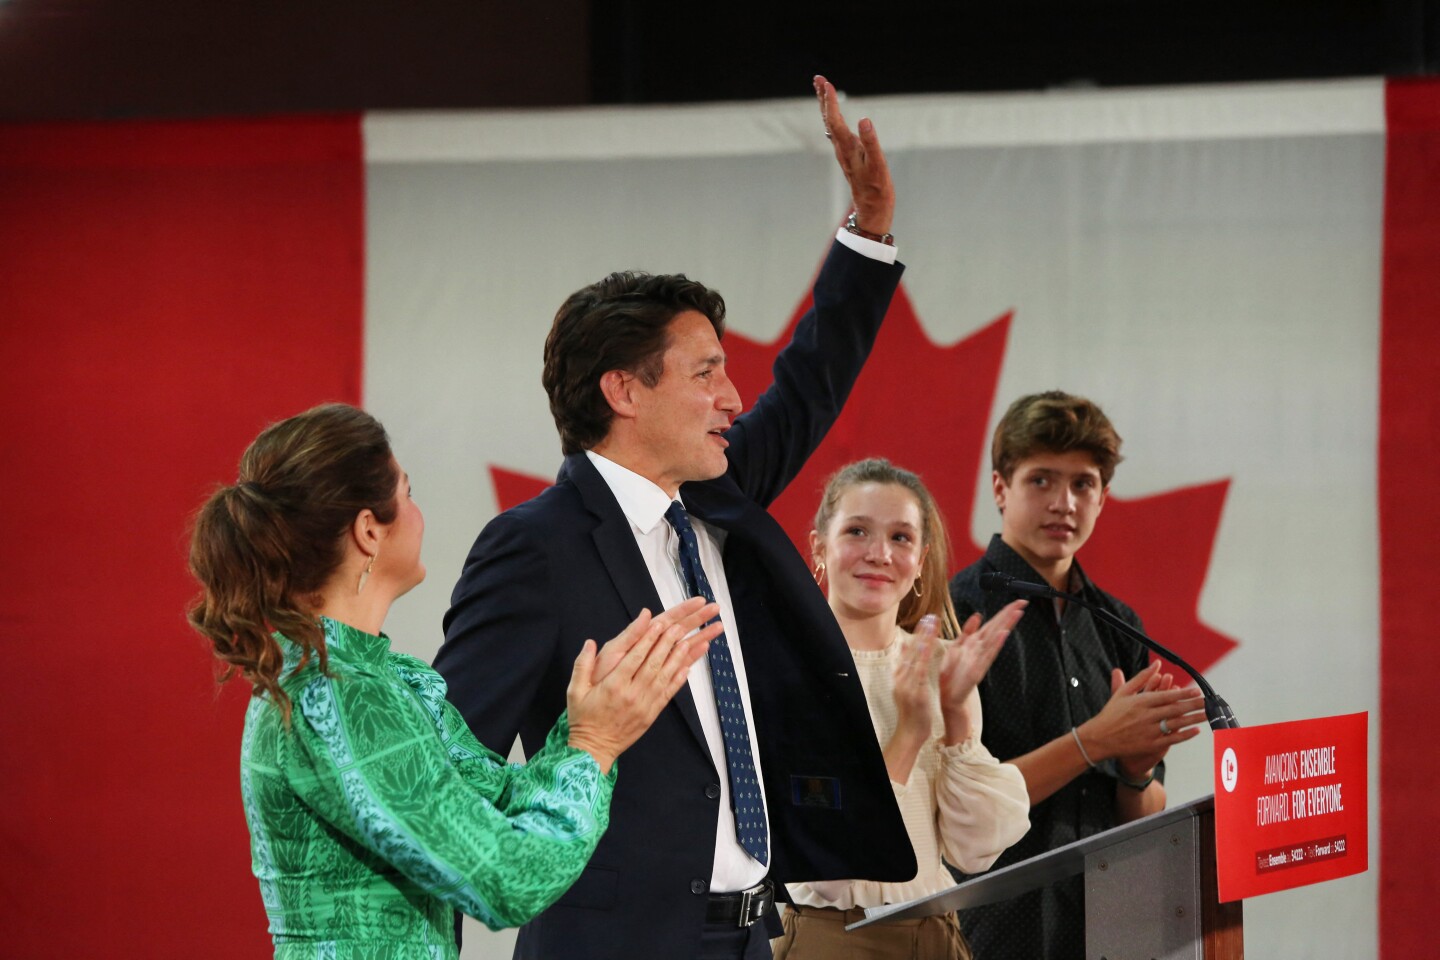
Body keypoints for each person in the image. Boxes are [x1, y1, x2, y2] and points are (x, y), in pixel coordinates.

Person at [433, 77, 917, 960]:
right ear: (623, 391)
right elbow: (448, 770)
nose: (733, 397)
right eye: (703, 374)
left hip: (751, 940)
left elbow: (809, 384)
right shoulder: (531, 549)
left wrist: (870, 228)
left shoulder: (715, 500)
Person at [187, 402, 721, 960]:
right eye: (407, 493)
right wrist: (595, 745)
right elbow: (508, 882)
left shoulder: (384, 678)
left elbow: (500, 804)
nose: (419, 514)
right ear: (369, 530)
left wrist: (585, 719)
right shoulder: (337, 693)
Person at [947, 391, 1207, 959]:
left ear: (1104, 497)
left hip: (1108, 925)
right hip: (988, 931)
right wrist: (1097, 742)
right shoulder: (956, 613)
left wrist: (1135, 772)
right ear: (1000, 488)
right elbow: (957, 804)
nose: (1063, 502)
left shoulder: (1120, 627)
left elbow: (1142, 809)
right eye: (1041, 480)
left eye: (1083, 484)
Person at [773, 459, 1031, 960]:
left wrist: (954, 712)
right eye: (857, 531)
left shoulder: (939, 666)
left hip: (938, 932)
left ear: (921, 559)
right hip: (830, 938)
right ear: (818, 547)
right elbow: (831, 861)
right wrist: (911, 730)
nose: (878, 554)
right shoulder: (783, 670)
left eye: (900, 537)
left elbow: (974, 849)